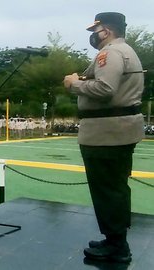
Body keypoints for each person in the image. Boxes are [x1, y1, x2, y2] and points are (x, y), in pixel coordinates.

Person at [63, 12, 144, 263]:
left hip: (106, 133)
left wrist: (73, 84)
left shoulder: (109, 53)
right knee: (114, 188)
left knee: (107, 189)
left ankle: (117, 247)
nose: (93, 36)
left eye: (94, 31)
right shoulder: (125, 51)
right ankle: (115, 239)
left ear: (105, 31)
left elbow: (105, 89)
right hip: (116, 130)